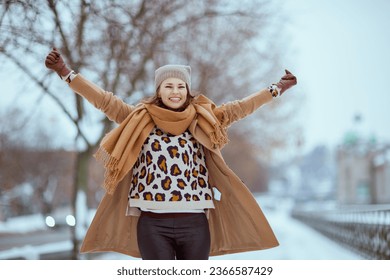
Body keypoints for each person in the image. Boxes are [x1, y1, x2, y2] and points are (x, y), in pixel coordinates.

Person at [45, 47, 297, 260]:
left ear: (187, 90)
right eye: (168, 86)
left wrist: (275, 90)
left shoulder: (205, 118)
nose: (175, 91)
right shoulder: (138, 118)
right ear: (159, 90)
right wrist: (66, 73)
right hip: (152, 224)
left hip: (196, 223)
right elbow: (104, 100)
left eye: (180, 86)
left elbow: (240, 108)